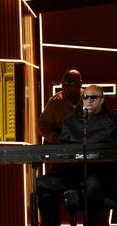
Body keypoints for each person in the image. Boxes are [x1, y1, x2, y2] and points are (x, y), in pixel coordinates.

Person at [37, 85, 117, 226]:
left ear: (102, 100)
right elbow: (62, 147)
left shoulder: (111, 122)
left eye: (94, 97)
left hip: (99, 172)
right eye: (86, 97)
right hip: (72, 171)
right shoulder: (72, 121)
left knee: (93, 185)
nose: (89, 101)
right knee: (41, 184)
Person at [39, 69, 84, 144]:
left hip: (83, 144)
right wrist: (53, 137)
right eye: (63, 84)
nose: (66, 87)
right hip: (60, 146)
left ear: (80, 84)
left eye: (70, 84)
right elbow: (43, 124)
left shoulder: (88, 100)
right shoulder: (55, 102)